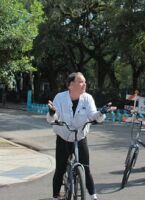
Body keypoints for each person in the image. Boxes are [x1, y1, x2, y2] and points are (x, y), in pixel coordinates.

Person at [46, 72, 112, 200]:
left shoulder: (87, 98)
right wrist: (52, 112)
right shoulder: (60, 98)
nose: (84, 84)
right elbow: (52, 119)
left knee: (86, 168)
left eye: (85, 82)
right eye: (81, 82)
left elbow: (94, 116)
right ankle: (55, 196)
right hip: (63, 137)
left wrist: (101, 112)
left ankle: (93, 196)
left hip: (80, 137)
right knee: (60, 169)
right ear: (71, 85)